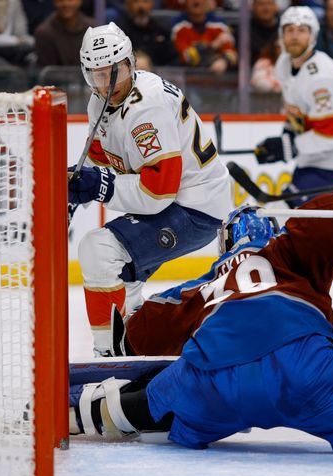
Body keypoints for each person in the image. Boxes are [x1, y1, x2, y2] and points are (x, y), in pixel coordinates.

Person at [67, 165, 333, 469]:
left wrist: (130, 312)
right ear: (270, 233)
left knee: (160, 399)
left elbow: (139, 342)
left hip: (213, 371)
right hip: (299, 356)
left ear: (225, 243)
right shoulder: (286, 251)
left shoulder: (196, 289)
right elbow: (323, 228)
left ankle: (83, 412)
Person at [69, 22, 232, 357]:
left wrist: (98, 188)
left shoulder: (147, 108)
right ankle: (138, 343)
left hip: (195, 208)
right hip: (178, 201)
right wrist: (78, 188)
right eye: (97, 76)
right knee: (120, 272)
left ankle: (109, 355)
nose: (108, 84)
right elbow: (102, 161)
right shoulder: (98, 103)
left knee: (99, 250)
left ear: (132, 63)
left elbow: (158, 193)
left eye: (115, 72)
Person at [254, 6, 333, 206]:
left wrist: (290, 146)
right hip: (311, 160)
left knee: (286, 213)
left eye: (302, 30)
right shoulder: (284, 63)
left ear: (313, 36)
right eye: (289, 30)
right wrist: (284, 139)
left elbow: (330, 134)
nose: (295, 36)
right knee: (294, 220)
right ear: (281, 35)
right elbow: (296, 111)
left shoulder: (322, 76)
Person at [170, 0, 238, 74]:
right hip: (187, 77)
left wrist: (224, 61)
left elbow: (232, 54)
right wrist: (213, 45)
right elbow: (189, 58)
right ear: (185, 2)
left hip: (218, 79)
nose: (196, 2)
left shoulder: (219, 24)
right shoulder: (179, 26)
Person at [34, 0, 94, 68]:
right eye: (60, 0)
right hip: (57, 78)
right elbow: (47, 73)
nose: (66, 4)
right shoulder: (44, 33)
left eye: (70, 0)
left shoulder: (93, 29)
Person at [119, 0, 177, 67]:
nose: (141, 6)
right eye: (136, 1)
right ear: (128, 6)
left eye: (145, 1)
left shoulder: (162, 30)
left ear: (152, 4)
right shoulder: (121, 33)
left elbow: (174, 60)